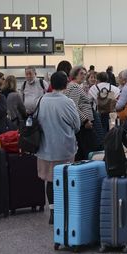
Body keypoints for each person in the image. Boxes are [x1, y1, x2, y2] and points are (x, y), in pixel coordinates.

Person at [35, 72, 80, 225]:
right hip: (64, 147)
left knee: (50, 180)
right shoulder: (67, 102)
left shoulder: (42, 100)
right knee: (65, 179)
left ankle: (53, 212)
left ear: (51, 84)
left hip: (45, 147)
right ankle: (64, 210)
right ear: (66, 85)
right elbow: (77, 125)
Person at [65, 66, 96, 160]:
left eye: (85, 74)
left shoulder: (75, 86)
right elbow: (73, 106)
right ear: (75, 74)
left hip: (82, 124)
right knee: (86, 150)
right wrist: (85, 120)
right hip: (83, 125)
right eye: (81, 73)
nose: (83, 76)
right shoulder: (75, 87)